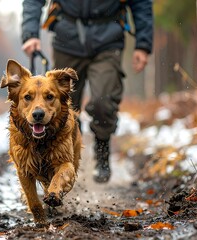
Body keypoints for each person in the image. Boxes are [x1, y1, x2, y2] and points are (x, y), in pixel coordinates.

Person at [21, 0, 153, 183]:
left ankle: (102, 150)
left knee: (104, 102)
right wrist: (30, 33)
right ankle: (63, 163)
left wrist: (143, 44)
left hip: (108, 39)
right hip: (67, 39)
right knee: (64, 110)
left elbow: (141, 3)